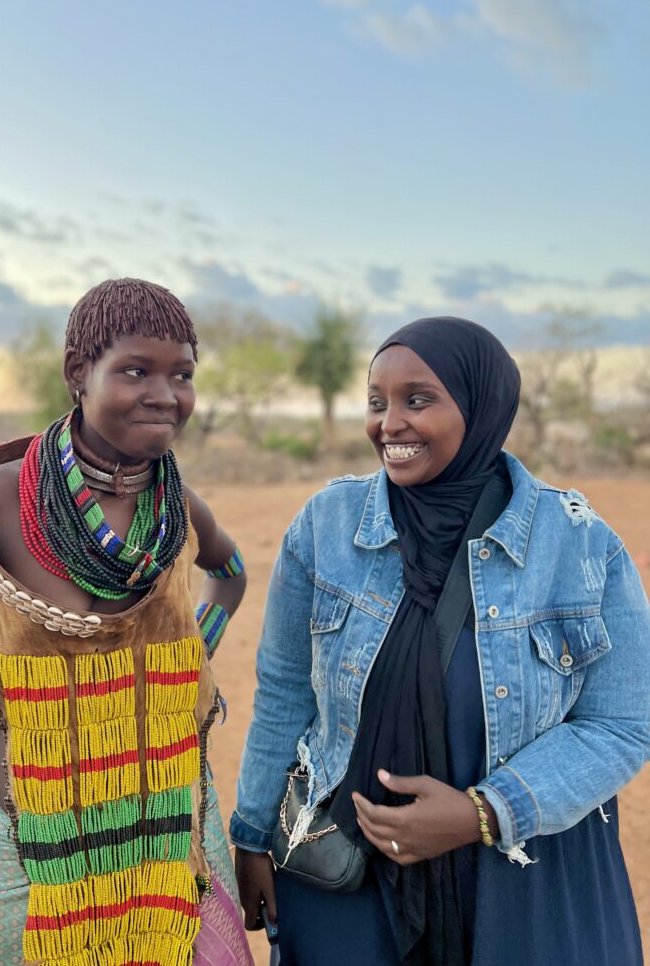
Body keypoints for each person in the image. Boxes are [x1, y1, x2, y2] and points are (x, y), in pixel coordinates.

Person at [232, 316, 650, 966]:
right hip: (347, 878)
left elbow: (621, 724)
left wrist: (482, 813)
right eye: (377, 402)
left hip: (525, 879)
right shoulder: (327, 525)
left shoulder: (579, 544)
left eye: (416, 399)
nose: (388, 423)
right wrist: (253, 834)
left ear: (480, 405)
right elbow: (285, 690)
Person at [0, 278, 255, 966]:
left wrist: (195, 648)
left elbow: (231, 575)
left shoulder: (176, 506)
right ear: (78, 374)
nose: (165, 393)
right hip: (29, 856)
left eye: (182, 374)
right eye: (136, 370)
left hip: (173, 836)